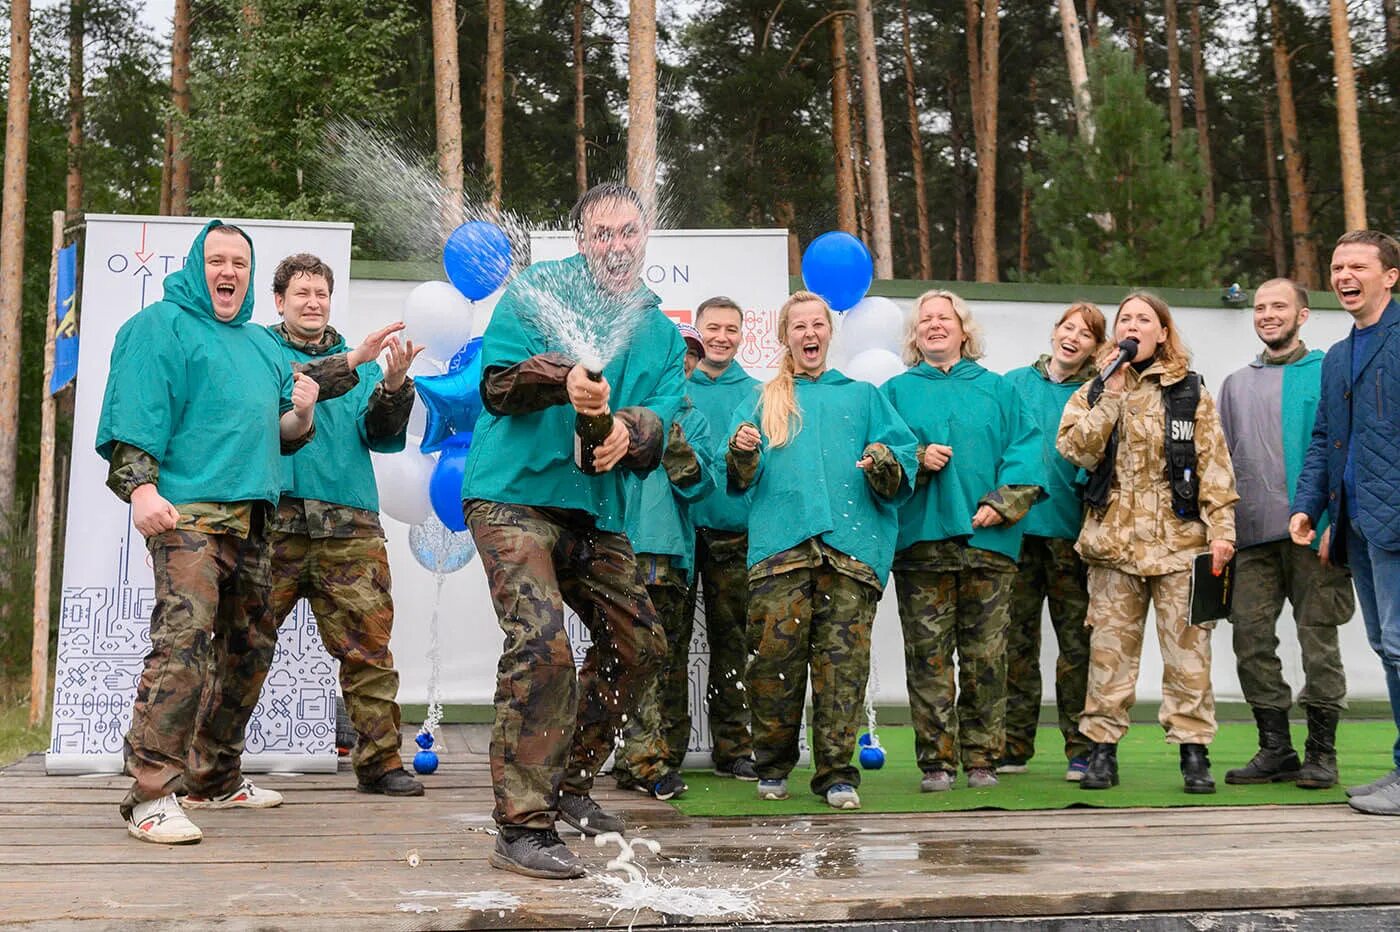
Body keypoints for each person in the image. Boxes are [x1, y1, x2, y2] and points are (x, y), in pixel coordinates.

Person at [96, 221, 372, 844]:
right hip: (186, 517)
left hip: (253, 522)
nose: (229, 272)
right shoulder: (157, 327)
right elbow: (136, 414)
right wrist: (141, 490)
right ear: (198, 267)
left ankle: (214, 777)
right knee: (184, 644)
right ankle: (150, 795)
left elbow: (278, 430)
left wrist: (302, 410)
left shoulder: (258, 346)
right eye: (217, 260)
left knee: (251, 647)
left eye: (240, 263)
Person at [459, 182, 686, 879]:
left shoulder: (663, 332)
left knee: (641, 643)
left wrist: (628, 429)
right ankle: (520, 826)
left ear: (644, 238)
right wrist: (563, 380)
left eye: (627, 233)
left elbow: (658, 423)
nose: (615, 245)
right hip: (512, 499)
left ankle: (568, 786)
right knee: (543, 643)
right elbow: (496, 384)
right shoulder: (537, 291)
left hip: (596, 512)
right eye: (601, 234)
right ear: (582, 239)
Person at [727, 290, 916, 811]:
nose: (809, 334)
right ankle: (772, 765)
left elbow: (901, 461)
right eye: (799, 327)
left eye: (818, 325)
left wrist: (880, 457)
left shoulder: (862, 397)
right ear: (785, 336)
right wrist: (741, 451)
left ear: (830, 333)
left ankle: (836, 774)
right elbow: (739, 478)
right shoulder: (764, 400)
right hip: (780, 554)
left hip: (849, 556)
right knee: (773, 666)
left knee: (842, 668)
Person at [1057, 291, 1238, 794]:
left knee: (1190, 654)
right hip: (1113, 545)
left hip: (1181, 546)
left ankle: (1194, 752)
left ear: (1162, 332)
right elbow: (1076, 449)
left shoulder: (1190, 391)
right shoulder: (1093, 389)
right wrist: (1111, 392)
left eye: (1144, 319)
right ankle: (1102, 751)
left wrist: (1223, 531)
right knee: (1109, 655)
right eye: (1124, 320)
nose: (1133, 326)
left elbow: (1215, 467)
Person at [265, 253, 429, 798]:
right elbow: (279, 401)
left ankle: (381, 763)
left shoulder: (355, 365)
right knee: (240, 645)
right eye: (301, 293)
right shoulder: (259, 353)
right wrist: (357, 359)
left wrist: (393, 387)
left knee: (369, 653)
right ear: (279, 301)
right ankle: (211, 764)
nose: (313, 302)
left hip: (350, 530)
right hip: (273, 526)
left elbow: (381, 436)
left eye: (321, 293)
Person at [881, 290, 1044, 792]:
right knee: (927, 658)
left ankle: (981, 759)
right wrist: (915, 459)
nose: (934, 325)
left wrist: (1004, 502)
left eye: (943, 318)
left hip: (988, 546)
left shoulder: (999, 390)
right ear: (914, 335)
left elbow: (1029, 450)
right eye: (924, 319)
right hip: (922, 546)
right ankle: (936, 762)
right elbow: (879, 456)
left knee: (986, 657)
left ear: (963, 329)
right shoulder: (893, 392)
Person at [1219, 279, 1353, 790]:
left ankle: (1323, 752)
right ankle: (1276, 748)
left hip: (1313, 535)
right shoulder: (1235, 383)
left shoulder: (1329, 373)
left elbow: (1340, 450)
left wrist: (1332, 523)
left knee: (1318, 640)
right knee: (1250, 639)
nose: (1268, 314)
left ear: (1303, 315)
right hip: (1251, 537)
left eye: (1279, 306)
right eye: (1260, 307)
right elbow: (1222, 462)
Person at [1292, 230, 1400, 815]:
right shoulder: (1336, 355)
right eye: (1336, 266)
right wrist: (1311, 506)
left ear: (1391, 276)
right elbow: (1323, 441)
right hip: (1357, 525)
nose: (1344, 275)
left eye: (1358, 265)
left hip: (1396, 520)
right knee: (1387, 647)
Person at [1000, 302, 1105, 782]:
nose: (1073, 338)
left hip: (1072, 538)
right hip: (1016, 535)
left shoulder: (1099, 393)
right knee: (1014, 645)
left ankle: (1080, 748)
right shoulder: (1014, 385)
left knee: (1076, 649)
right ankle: (1013, 743)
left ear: (1096, 346)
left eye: (1085, 334)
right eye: (1068, 328)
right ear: (1054, 332)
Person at [613, 322, 715, 801]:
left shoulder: (692, 419)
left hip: (671, 555)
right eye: (678, 353)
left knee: (666, 659)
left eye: (691, 355)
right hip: (617, 549)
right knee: (627, 655)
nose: (685, 361)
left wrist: (672, 443)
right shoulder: (619, 407)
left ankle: (656, 758)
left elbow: (700, 486)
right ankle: (640, 758)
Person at [679, 296, 762, 782]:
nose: (722, 337)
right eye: (713, 328)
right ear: (698, 329)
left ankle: (734, 746)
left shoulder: (757, 393)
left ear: (741, 334)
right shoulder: (676, 390)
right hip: (681, 533)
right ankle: (666, 748)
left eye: (731, 329)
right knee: (671, 644)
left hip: (736, 534)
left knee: (734, 642)